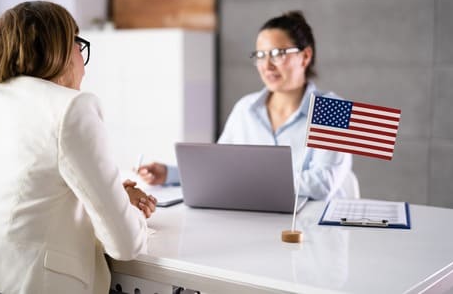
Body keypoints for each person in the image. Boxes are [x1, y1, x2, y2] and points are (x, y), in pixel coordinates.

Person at [0, 1, 156, 294]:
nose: (82, 63)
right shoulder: (71, 108)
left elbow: (32, 196)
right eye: (78, 44)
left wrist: (112, 195)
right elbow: (125, 244)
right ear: (59, 50)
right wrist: (128, 208)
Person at [139, 11, 352, 200]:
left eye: (277, 54)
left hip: (315, 230)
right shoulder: (246, 108)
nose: (267, 65)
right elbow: (220, 167)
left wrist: (250, 182)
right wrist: (169, 174)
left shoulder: (331, 108)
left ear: (305, 56)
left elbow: (322, 183)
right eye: (260, 55)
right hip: (258, 221)